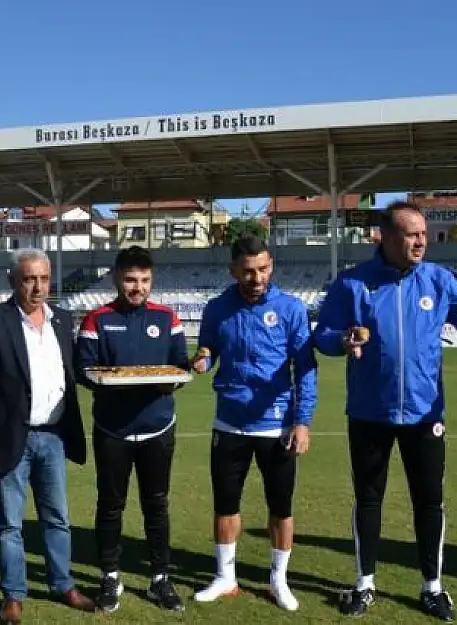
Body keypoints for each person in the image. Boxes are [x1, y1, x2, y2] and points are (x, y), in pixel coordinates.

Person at [313, 200, 457, 622]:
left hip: (425, 414)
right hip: (369, 413)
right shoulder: (352, 284)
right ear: (385, 236)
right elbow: (323, 335)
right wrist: (342, 340)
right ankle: (364, 583)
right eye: (411, 234)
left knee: (429, 501)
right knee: (368, 500)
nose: (421, 241)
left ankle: (432, 587)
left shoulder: (438, 281)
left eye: (423, 233)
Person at [0, 248, 95, 625]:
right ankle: (13, 596)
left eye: (43, 278)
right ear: (13, 281)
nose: (37, 287)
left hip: (53, 436)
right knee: (9, 523)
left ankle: (62, 583)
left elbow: (75, 373)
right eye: (28, 279)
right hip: (9, 440)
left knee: (57, 517)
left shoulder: (62, 320)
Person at [190, 235, 317, 613]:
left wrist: (303, 422)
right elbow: (208, 348)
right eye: (247, 271)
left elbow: (305, 369)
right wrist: (202, 359)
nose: (256, 277)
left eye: (262, 269)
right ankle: (225, 577)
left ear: (271, 265)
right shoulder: (217, 309)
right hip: (228, 423)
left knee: (281, 507)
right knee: (225, 504)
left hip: (276, 426)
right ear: (233, 271)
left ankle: (278, 579)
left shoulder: (292, 309)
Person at [74, 245, 188, 613]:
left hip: (158, 426)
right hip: (113, 429)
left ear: (151, 280)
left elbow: (180, 368)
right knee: (110, 506)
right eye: (129, 279)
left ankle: (160, 578)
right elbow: (84, 370)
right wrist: (109, 381)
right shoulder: (97, 319)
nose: (137, 287)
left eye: (143, 280)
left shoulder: (167, 317)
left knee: (157, 506)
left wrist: (170, 381)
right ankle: (109, 576)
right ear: (115, 278)